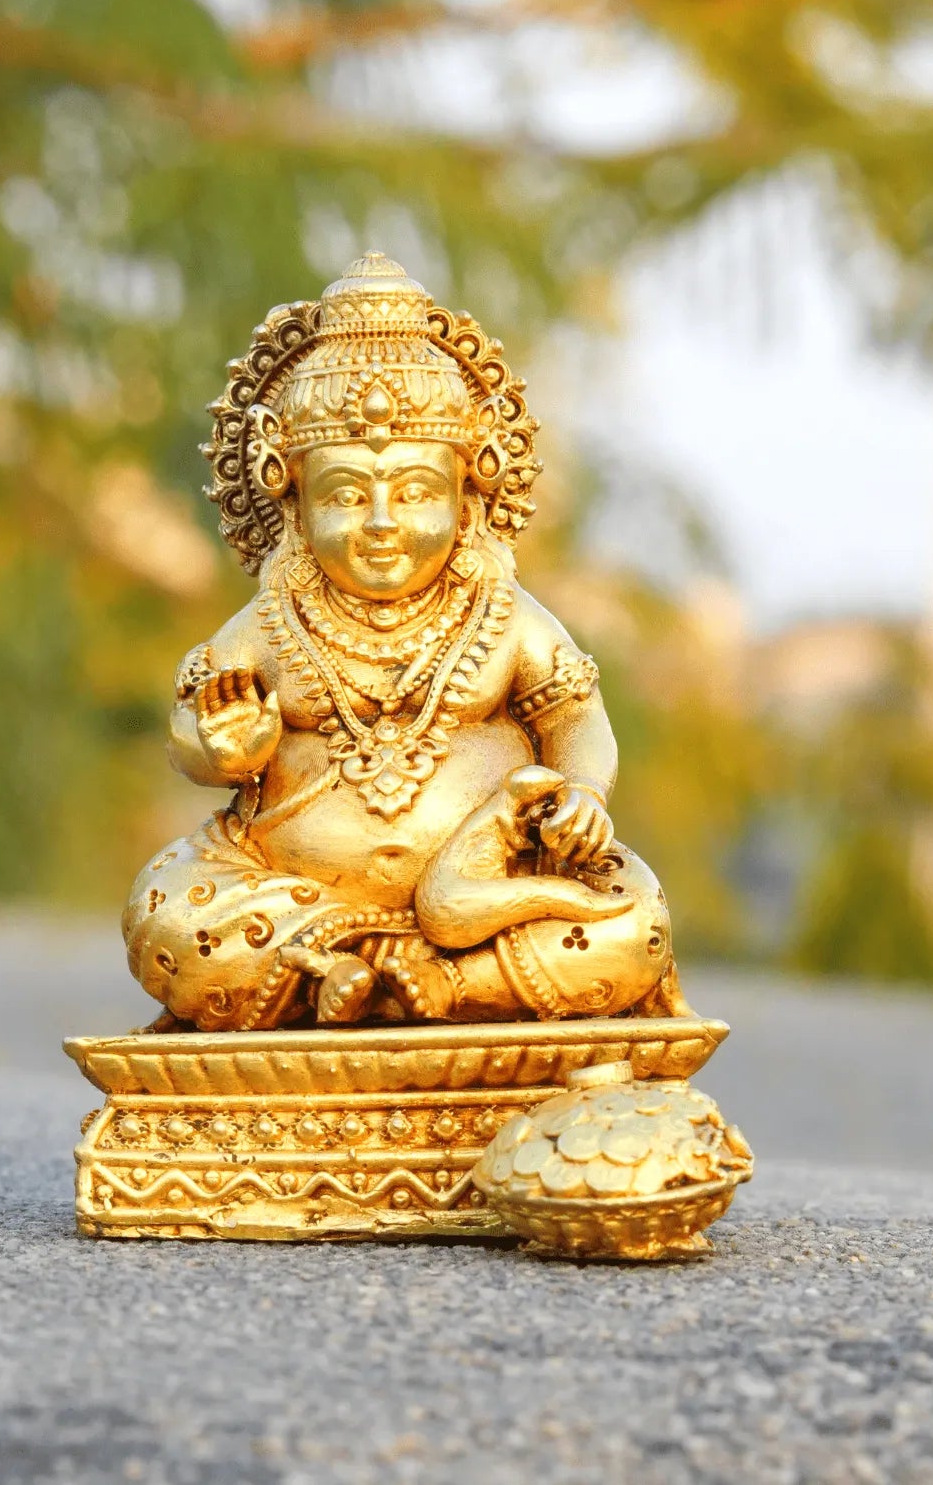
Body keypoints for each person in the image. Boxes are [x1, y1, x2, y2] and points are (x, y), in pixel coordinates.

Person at [122, 255, 688, 1031]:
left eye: (417, 492)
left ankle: (446, 988)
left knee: (633, 918)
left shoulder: (504, 613)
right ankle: (336, 970)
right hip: (293, 894)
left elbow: (576, 721)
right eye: (347, 495)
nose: (383, 521)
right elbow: (192, 734)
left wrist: (583, 794)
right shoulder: (270, 622)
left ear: (470, 489)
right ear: (288, 489)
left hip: (493, 896)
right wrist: (226, 750)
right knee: (166, 911)